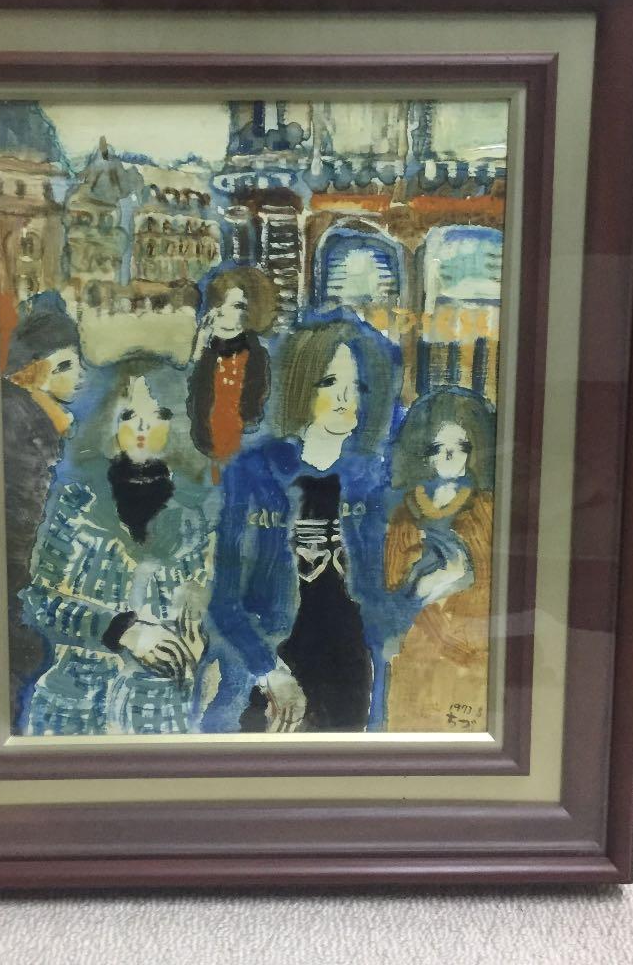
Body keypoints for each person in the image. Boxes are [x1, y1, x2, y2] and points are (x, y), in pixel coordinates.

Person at [199, 313, 400, 733]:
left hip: (350, 670)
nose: (345, 397)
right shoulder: (255, 471)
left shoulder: (372, 479)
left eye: (358, 386)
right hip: (270, 667)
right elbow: (223, 602)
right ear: (302, 385)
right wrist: (268, 670)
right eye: (329, 382)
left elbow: (379, 599)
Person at [19, 361, 211, 735]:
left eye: (157, 415)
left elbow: (209, 608)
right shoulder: (76, 500)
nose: (142, 427)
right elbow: (37, 603)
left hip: (162, 713)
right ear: (111, 421)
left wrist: (200, 631)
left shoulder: (196, 513)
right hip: (73, 709)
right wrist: (121, 630)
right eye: (128, 415)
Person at [383, 388, 497, 732]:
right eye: (437, 447)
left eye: (459, 446)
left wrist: (454, 584)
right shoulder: (406, 512)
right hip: (417, 645)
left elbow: (491, 583)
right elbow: (393, 588)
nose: (448, 456)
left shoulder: (485, 509)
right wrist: (429, 586)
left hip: (472, 648)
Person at [1, 300, 85, 719]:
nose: (79, 376)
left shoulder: (46, 417)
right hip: (20, 584)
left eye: (78, 363)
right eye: (65, 366)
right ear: (32, 371)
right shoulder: (21, 424)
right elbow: (26, 518)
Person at [186, 265, 277, 481]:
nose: (224, 314)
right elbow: (189, 407)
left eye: (237, 306)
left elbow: (262, 419)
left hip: (246, 459)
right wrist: (198, 354)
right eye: (219, 305)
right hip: (204, 459)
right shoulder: (205, 356)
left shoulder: (259, 358)